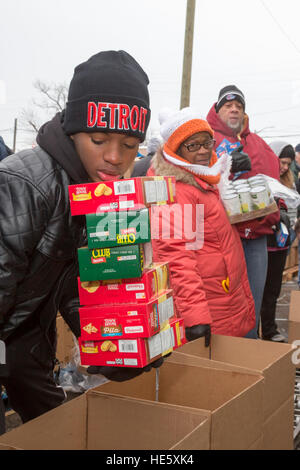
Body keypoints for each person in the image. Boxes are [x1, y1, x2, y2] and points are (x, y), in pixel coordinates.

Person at [0, 50, 166, 432]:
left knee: (60, 431)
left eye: (128, 144)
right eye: (98, 138)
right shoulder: (24, 185)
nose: (114, 157)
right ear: (73, 130)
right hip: (12, 338)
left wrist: (117, 345)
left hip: (24, 345)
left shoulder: (99, 195)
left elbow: (76, 282)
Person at [147, 107, 255, 343]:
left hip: (222, 295)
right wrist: (194, 316)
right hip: (210, 303)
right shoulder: (178, 190)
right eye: (193, 145)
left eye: (207, 142)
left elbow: (203, 240)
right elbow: (176, 255)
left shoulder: (202, 179)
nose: (204, 151)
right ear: (176, 150)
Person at [207, 85, 280, 339]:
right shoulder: (205, 138)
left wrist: (275, 214)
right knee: (222, 303)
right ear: (217, 110)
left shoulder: (258, 143)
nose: (234, 109)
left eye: (239, 105)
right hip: (222, 238)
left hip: (256, 237)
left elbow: (274, 184)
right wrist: (222, 165)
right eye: (228, 105)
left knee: (253, 303)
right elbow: (191, 179)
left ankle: (248, 356)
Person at [260, 142, 296, 342]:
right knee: (258, 288)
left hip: (281, 243)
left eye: (287, 164)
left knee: (273, 289)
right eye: (281, 162)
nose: (284, 167)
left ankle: (270, 329)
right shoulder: (262, 179)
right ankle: (254, 330)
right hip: (263, 241)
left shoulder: (288, 182)